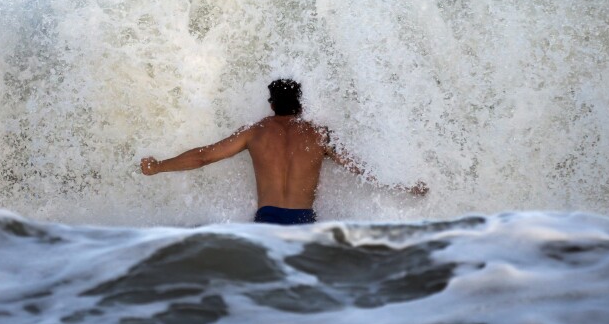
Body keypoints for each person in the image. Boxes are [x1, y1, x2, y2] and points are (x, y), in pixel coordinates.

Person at [140, 79, 427, 225]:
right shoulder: (320, 134)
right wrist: (403, 186)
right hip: (304, 220)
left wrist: (159, 166)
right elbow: (360, 170)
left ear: (272, 104)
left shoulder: (255, 132)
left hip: (267, 220)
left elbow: (204, 156)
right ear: (301, 103)